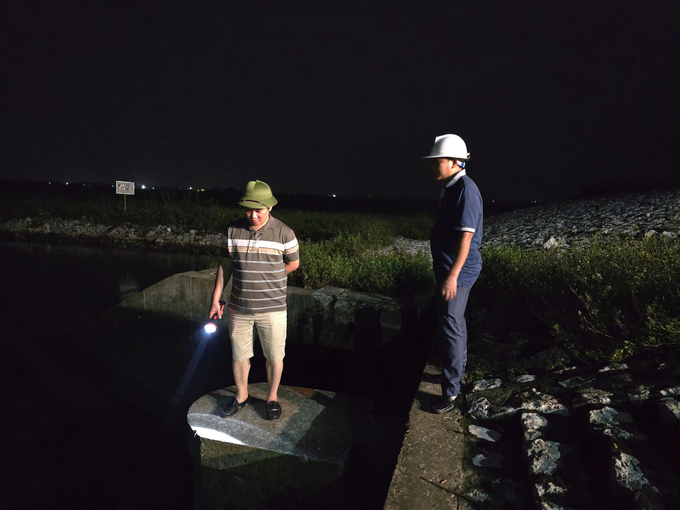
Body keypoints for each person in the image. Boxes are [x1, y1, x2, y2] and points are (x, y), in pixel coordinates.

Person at [208, 180, 300, 420]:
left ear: (269, 207)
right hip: (239, 307)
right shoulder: (232, 231)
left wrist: (270, 277)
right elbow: (225, 266)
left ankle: (272, 398)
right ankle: (241, 396)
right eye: (248, 209)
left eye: (258, 209)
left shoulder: (285, 233)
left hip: (273, 309)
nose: (253, 215)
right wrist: (215, 299)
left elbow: (293, 263)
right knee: (239, 355)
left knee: (274, 356)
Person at [424, 134, 483, 413]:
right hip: (448, 268)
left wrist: (452, 277)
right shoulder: (450, 187)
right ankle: (454, 374)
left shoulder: (466, 191)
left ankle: (451, 392)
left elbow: (466, 239)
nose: (434, 165)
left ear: (455, 162)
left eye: (438, 161)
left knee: (451, 325)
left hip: (457, 272)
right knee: (450, 322)